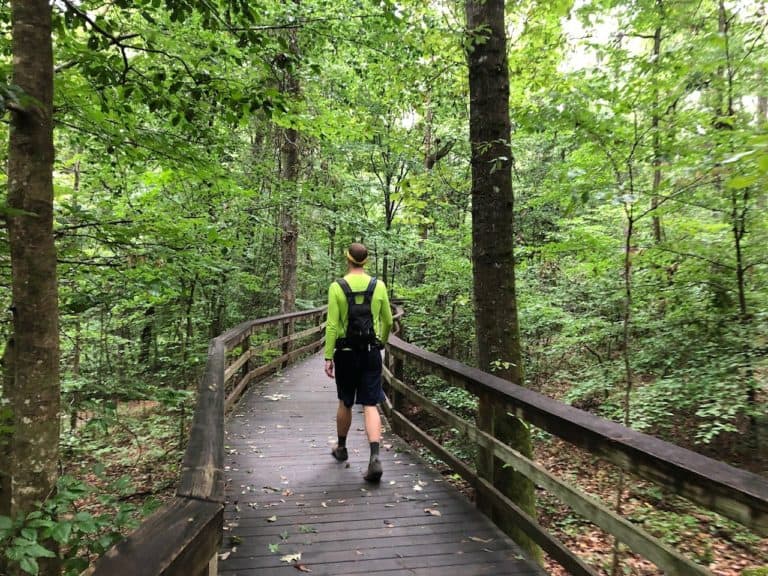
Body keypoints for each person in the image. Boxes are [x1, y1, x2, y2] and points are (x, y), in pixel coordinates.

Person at [324, 242, 393, 482]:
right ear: (366, 261)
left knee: (345, 400)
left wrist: (327, 355)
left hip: (344, 352)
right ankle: (374, 458)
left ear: (348, 258)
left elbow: (332, 324)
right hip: (370, 351)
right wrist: (381, 342)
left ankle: (341, 448)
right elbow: (388, 321)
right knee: (370, 403)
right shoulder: (379, 286)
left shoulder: (336, 287)